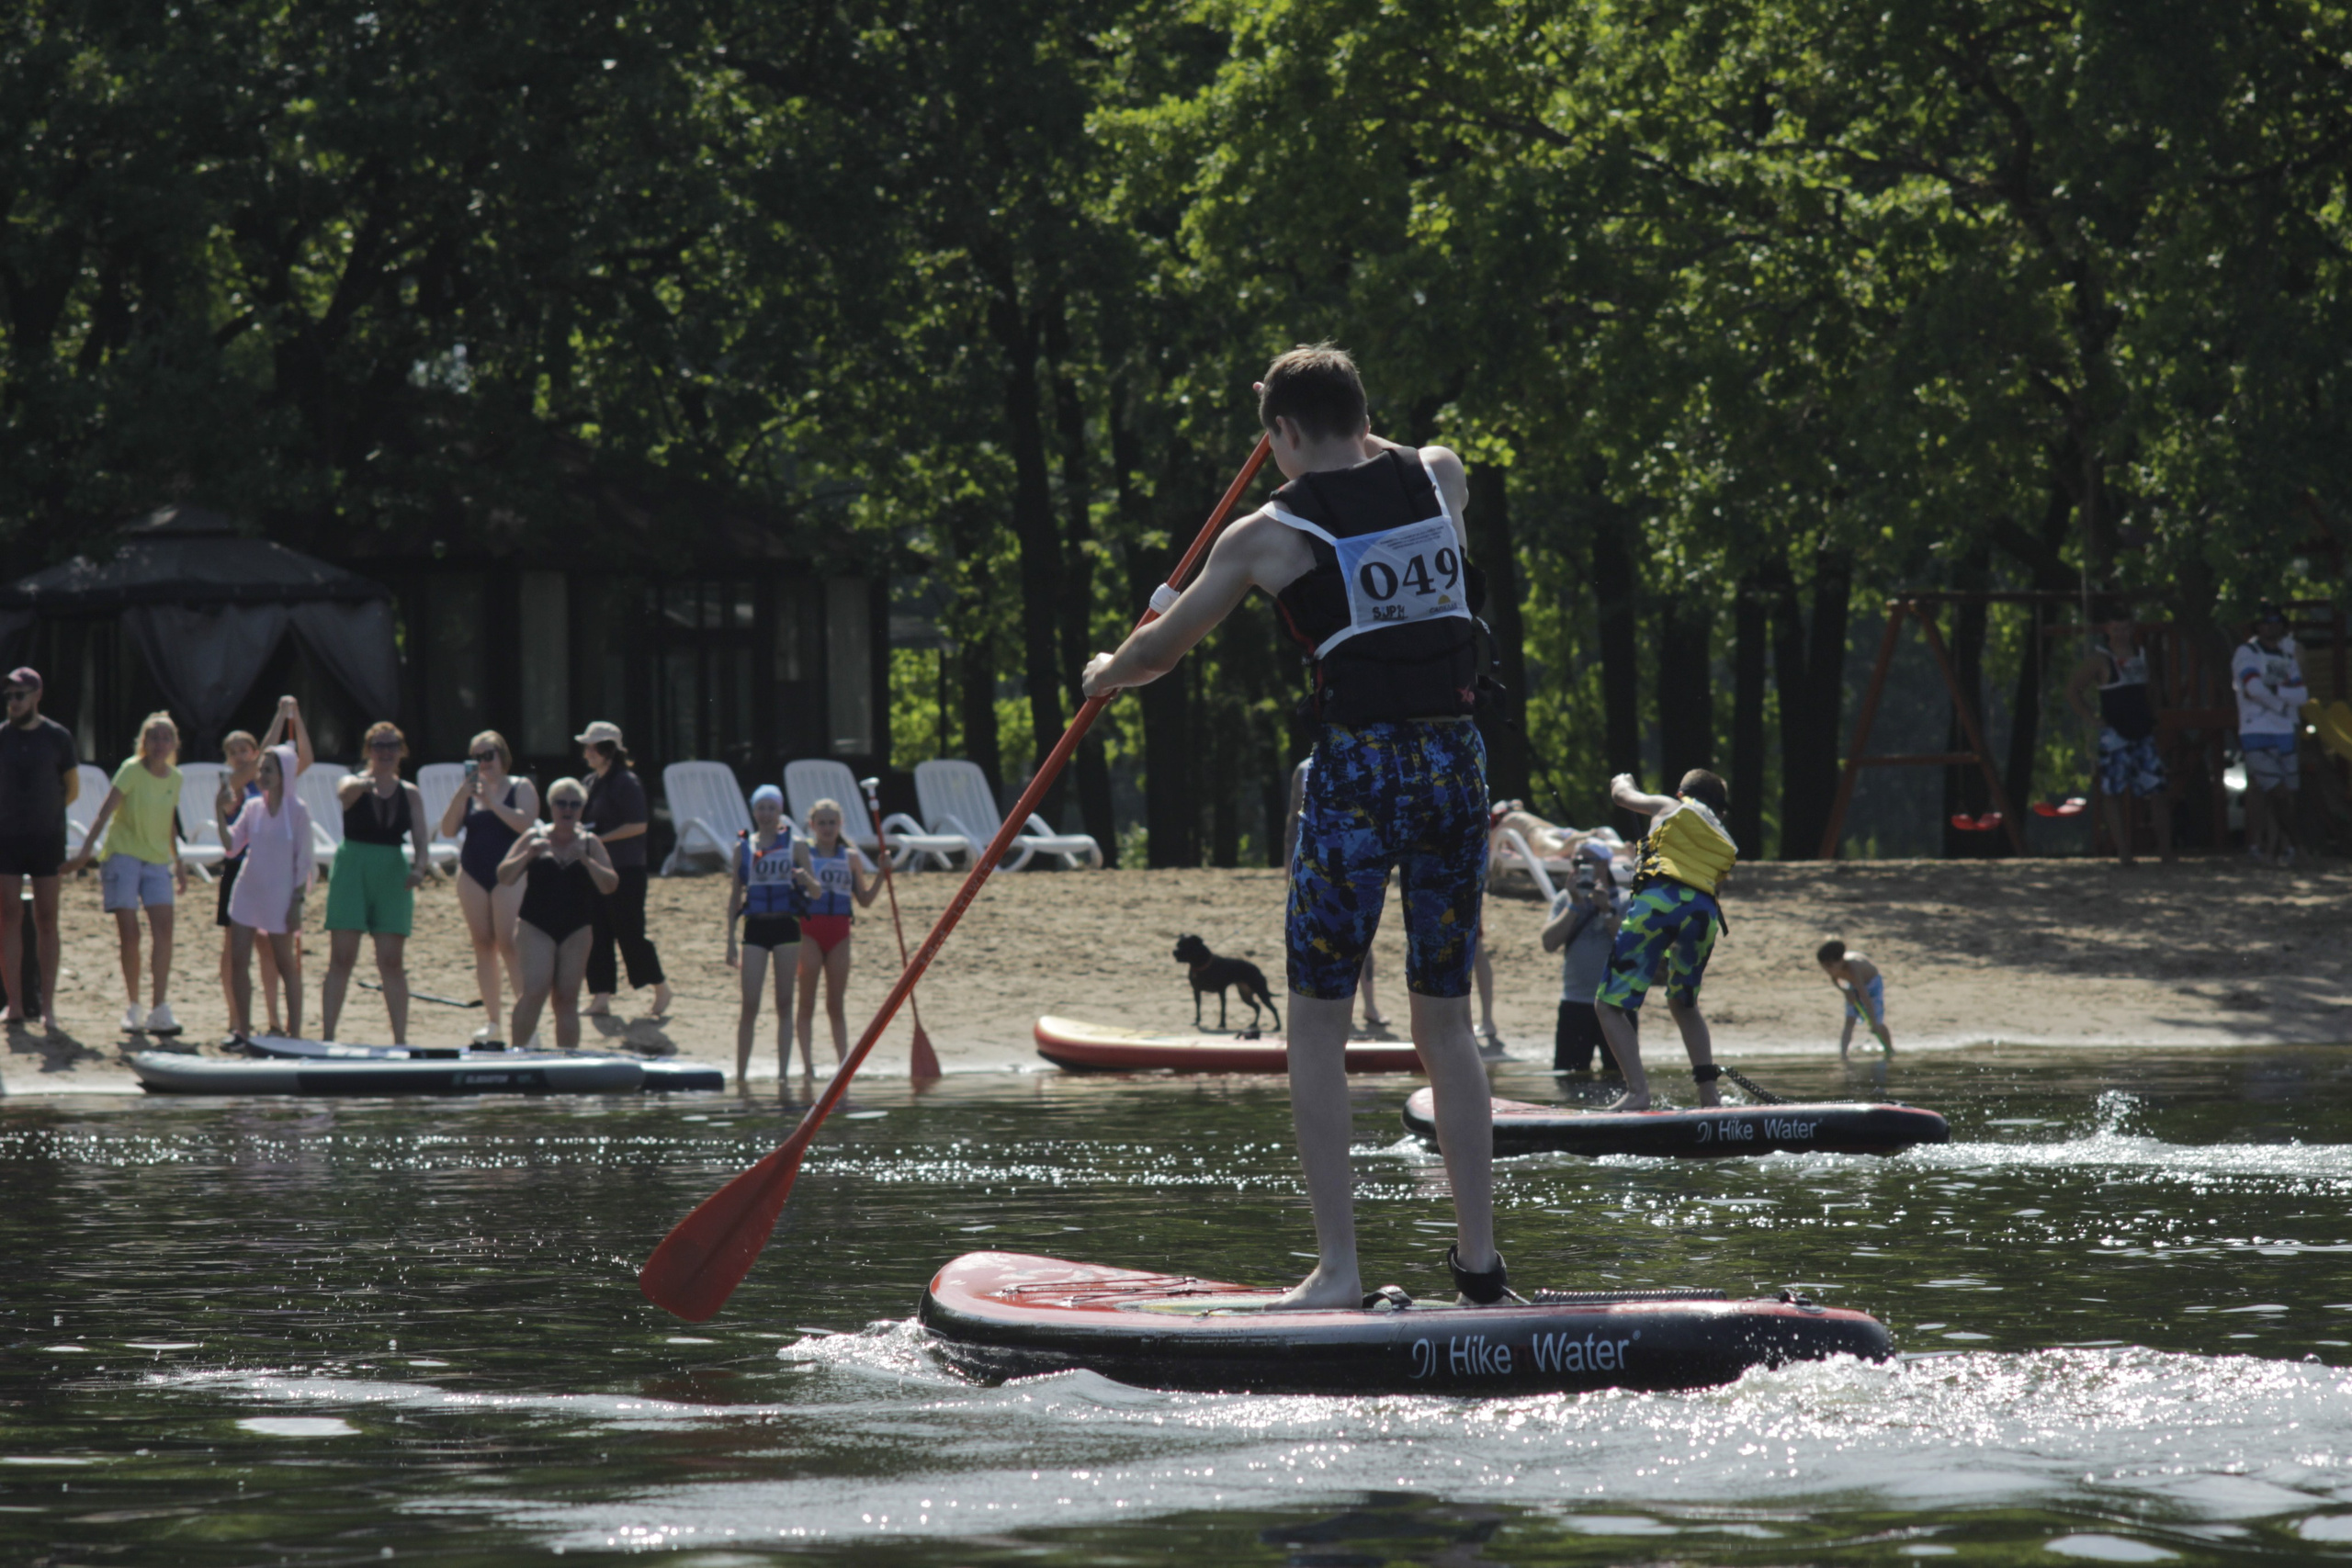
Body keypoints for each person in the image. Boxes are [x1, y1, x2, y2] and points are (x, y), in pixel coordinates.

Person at [1081, 344, 1504, 1310]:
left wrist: (1106, 670)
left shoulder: (1262, 535)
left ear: (1279, 437)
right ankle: (1479, 1268)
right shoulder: (1435, 476)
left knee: (1314, 1025)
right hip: (1455, 764)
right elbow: (1401, 458)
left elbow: (1163, 649)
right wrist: (1344, 431)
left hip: (1359, 775)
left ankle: (1338, 1272)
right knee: (1443, 1017)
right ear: (1363, 415)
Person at [1592, 768, 1736, 1112]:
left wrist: (1622, 780)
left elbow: (1622, 797)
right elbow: (1711, 888)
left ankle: (1638, 1091)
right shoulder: (1722, 834)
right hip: (1704, 914)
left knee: (1608, 1006)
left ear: (1681, 793)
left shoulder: (1670, 807)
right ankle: (1709, 1098)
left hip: (1658, 903)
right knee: (1684, 1004)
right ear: (1720, 808)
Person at [64, 711, 189, 1034]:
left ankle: (159, 1007)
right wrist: (85, 853)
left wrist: (180, 861)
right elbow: (105, 811)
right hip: (122, 857)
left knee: (164, 930)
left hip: (157, 860)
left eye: (166, 737)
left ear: (174, 742)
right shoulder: (131, 770)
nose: (160, 743)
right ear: (144, 742)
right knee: (130, 934)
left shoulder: (175, 778)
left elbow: (170, 821)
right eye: (154, 737)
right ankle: (133, 1006)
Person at [321, 721, 436, 1043]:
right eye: (379, 746)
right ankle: (328, 1035)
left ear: (402, 751)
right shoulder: (352, 781)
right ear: (368, 751)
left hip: (392, 869)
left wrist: (420, 867)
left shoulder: (409, 792)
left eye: (392, 746)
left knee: (391, 961)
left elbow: (421, 839)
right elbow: (344, 794)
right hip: (352, 866)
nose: (386, 752)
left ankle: (400, 1038)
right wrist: (368, 783)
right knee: (342, 957)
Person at [215, 696, 312, 1039]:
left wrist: (298, 903)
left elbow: (305, 861)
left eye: (268, 769)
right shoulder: (253, 806)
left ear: (282, 772)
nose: (261, 774)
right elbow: (231, 847)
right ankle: (242, 1030)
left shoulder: (298, 811)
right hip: (247, 891)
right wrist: (217, 810)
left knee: (287, 965)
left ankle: (294, 1034)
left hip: (282, 897)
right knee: (239, 960)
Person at [499, 777, 618, 1051]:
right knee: (535, 991)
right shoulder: (534, 837)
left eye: (574, 804)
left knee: (566, 998)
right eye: (561, 803)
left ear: (582, 809)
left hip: (577, 927)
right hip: (535, 924)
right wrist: (528, 855)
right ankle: (517, 1054)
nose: (568, 809)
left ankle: (567, 1059)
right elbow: (504, 876)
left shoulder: (589, 842)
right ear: (551, 806)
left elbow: (610, 884)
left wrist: (586, 861)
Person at [436, 729, 538, 1040]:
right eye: (476, 757)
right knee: (483, 944)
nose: (484, 762)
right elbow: (448, 830)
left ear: (501, 756)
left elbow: (526, 823)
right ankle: (493, 1023)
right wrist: (461, 796)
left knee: (509, 943)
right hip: (473, 871)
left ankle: (527, 1024)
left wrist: (492, 801)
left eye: (488, 755)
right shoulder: (469, 793)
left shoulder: (520, 786)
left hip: (509, 872)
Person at [0, 667, 78, 1033]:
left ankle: (48, 1007)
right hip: (7, 838)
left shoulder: (58, 737)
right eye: (10, 695)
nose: (13, 702)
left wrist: (46, 812)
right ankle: (14, 1004)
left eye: (20, 695)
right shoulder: (2, 737)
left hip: (47, 837)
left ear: (37, 695)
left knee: (47, 918)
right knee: (9, 916)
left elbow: (71, 788)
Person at [1286, 757, 1389, 1034]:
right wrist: (1289, 868)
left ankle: (1370, 1005)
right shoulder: (1304, 769)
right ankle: (1334, 1014)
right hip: (1316, 863)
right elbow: (1293, 819)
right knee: (1321, 938)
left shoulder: (1365, 756)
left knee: (1362, 937)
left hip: (1358, 860)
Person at [726, 784, 819, 1092]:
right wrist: (729, 940)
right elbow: (734, 896)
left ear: (780, 812)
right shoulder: (743, 848)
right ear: (754, 811)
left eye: (771, 808)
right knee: (749, 1004)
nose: (766, 814)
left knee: (783, 1003)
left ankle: (782, 1076)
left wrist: (806, 879)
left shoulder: (796, 845)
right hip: (755, 928)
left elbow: (817, 892)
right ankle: (741, 1076)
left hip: (786, 929)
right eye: (761, 808)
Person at [2064, 604, 2173, 864]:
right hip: (2114, 733)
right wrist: (2092, 718)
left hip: (2143, 731)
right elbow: (2073, 690)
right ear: (2107, 630)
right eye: (2116, 628)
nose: (2121, 633)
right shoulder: (2099, 660)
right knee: (2112, 792)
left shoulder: (2142, 655)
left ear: (2132, 629)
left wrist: (2156, 716)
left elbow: (2154, 687)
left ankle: (2167, 851)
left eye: (2125, 628)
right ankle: (2124, 851)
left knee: (2157, 790)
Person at [578, 721, 672, 1018]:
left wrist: (599, 839)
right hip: (596, 870)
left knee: (629, 932)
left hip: (626, 869)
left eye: (593, 747)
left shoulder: (626, 782)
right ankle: (601, 996)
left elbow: (639, 825)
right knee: (597, 933)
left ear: (608, 751)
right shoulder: (590, 783)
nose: (588, 752)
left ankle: (660, 987)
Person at [793, 796, 880, 1077]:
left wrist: (883, 874)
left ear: (840, 824)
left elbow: (864, 900)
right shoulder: (803, 854)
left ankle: (844, 1066)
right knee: (806, 1001)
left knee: (835, 1004)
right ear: (812, 825)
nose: (827, 828)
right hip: (809, 932)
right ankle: (808, 1067)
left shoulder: (851, 857)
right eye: (822, 823)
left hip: (840, 933)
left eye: (832, 822)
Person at [2233, 602, 2308, 867]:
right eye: (2264, 622)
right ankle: (2279, 845)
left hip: (2284, 731)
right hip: (2256, 731)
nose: (2270, 627)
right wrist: (2280, 700)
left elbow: (2301, 694)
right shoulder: (2246, 652)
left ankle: (2279, 849)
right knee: (2270, 790)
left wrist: (2276, 695)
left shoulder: (2288, 656)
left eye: (2275, 621)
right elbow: (2253, 687)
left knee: (2286, 792)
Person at [1540, 841, 1624, 1074]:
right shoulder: (1564, 900)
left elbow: (1629, 947)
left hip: (1617, 1002)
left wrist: (1606, 910)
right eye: (1576, 862)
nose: (1580, 868)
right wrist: (1574, 905)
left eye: (1588, 862)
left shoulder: (1625, 900)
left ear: (1605, 864)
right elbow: (1548, 943)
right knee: (1568, 1076)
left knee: (1620, 1076)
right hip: (1574, 1002)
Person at [1815, 937, 1893, 1058]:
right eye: (1824, 967)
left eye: (1829, 966)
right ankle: (1843, 1055)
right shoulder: (1834, 970)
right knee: (1849, 1020)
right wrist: (1845, 991)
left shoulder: (1853, 968)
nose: (1827, 970)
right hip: (1853, 985)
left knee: (1878, 1023)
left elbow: (1865, 997)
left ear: (1841, 960)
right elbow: (1835, 979)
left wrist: (1872, 1021)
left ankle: (1890, 1049)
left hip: (1872, 985)